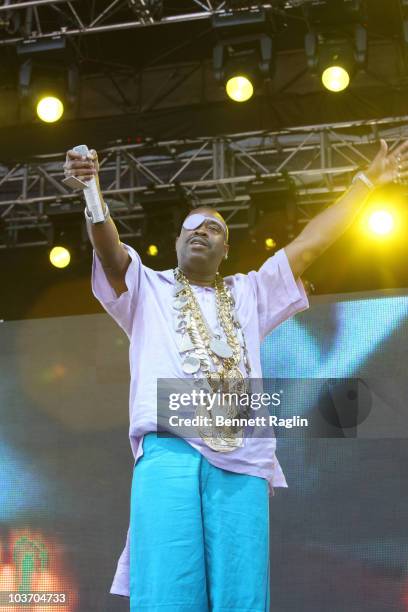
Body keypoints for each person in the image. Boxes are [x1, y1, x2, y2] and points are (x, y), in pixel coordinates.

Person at [64, 138, 408, 611]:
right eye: (192, 227)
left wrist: (365, 185)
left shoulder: (250, 292)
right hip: (168, 449)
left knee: (241, 597)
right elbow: (109, 252)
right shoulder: (148, 287)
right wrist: (91, 190)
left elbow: (310, 245)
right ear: (177, 242)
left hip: (243, 457)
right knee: (166, 590)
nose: (201, 232)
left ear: (226, 248)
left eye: (214, 228)